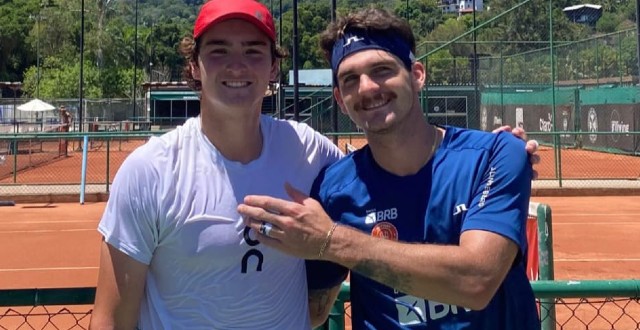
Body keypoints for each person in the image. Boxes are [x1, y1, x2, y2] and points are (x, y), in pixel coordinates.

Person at [238, 7, 540, 330]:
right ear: (340, 100)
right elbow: (311, 312)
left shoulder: (495, 156)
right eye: (350, 79)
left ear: (417, 75)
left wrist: (331, 239)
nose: (367, 88)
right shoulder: (334, 189)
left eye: (382, 70)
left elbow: (477, 280)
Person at [90, 1, 344, 328]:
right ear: (194, 66)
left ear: (273, 67)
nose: (236, 66)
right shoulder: (150, 170)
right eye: (219, 51)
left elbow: (375, 192)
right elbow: (110, 320)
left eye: (253, 51)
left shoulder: (306, 148)